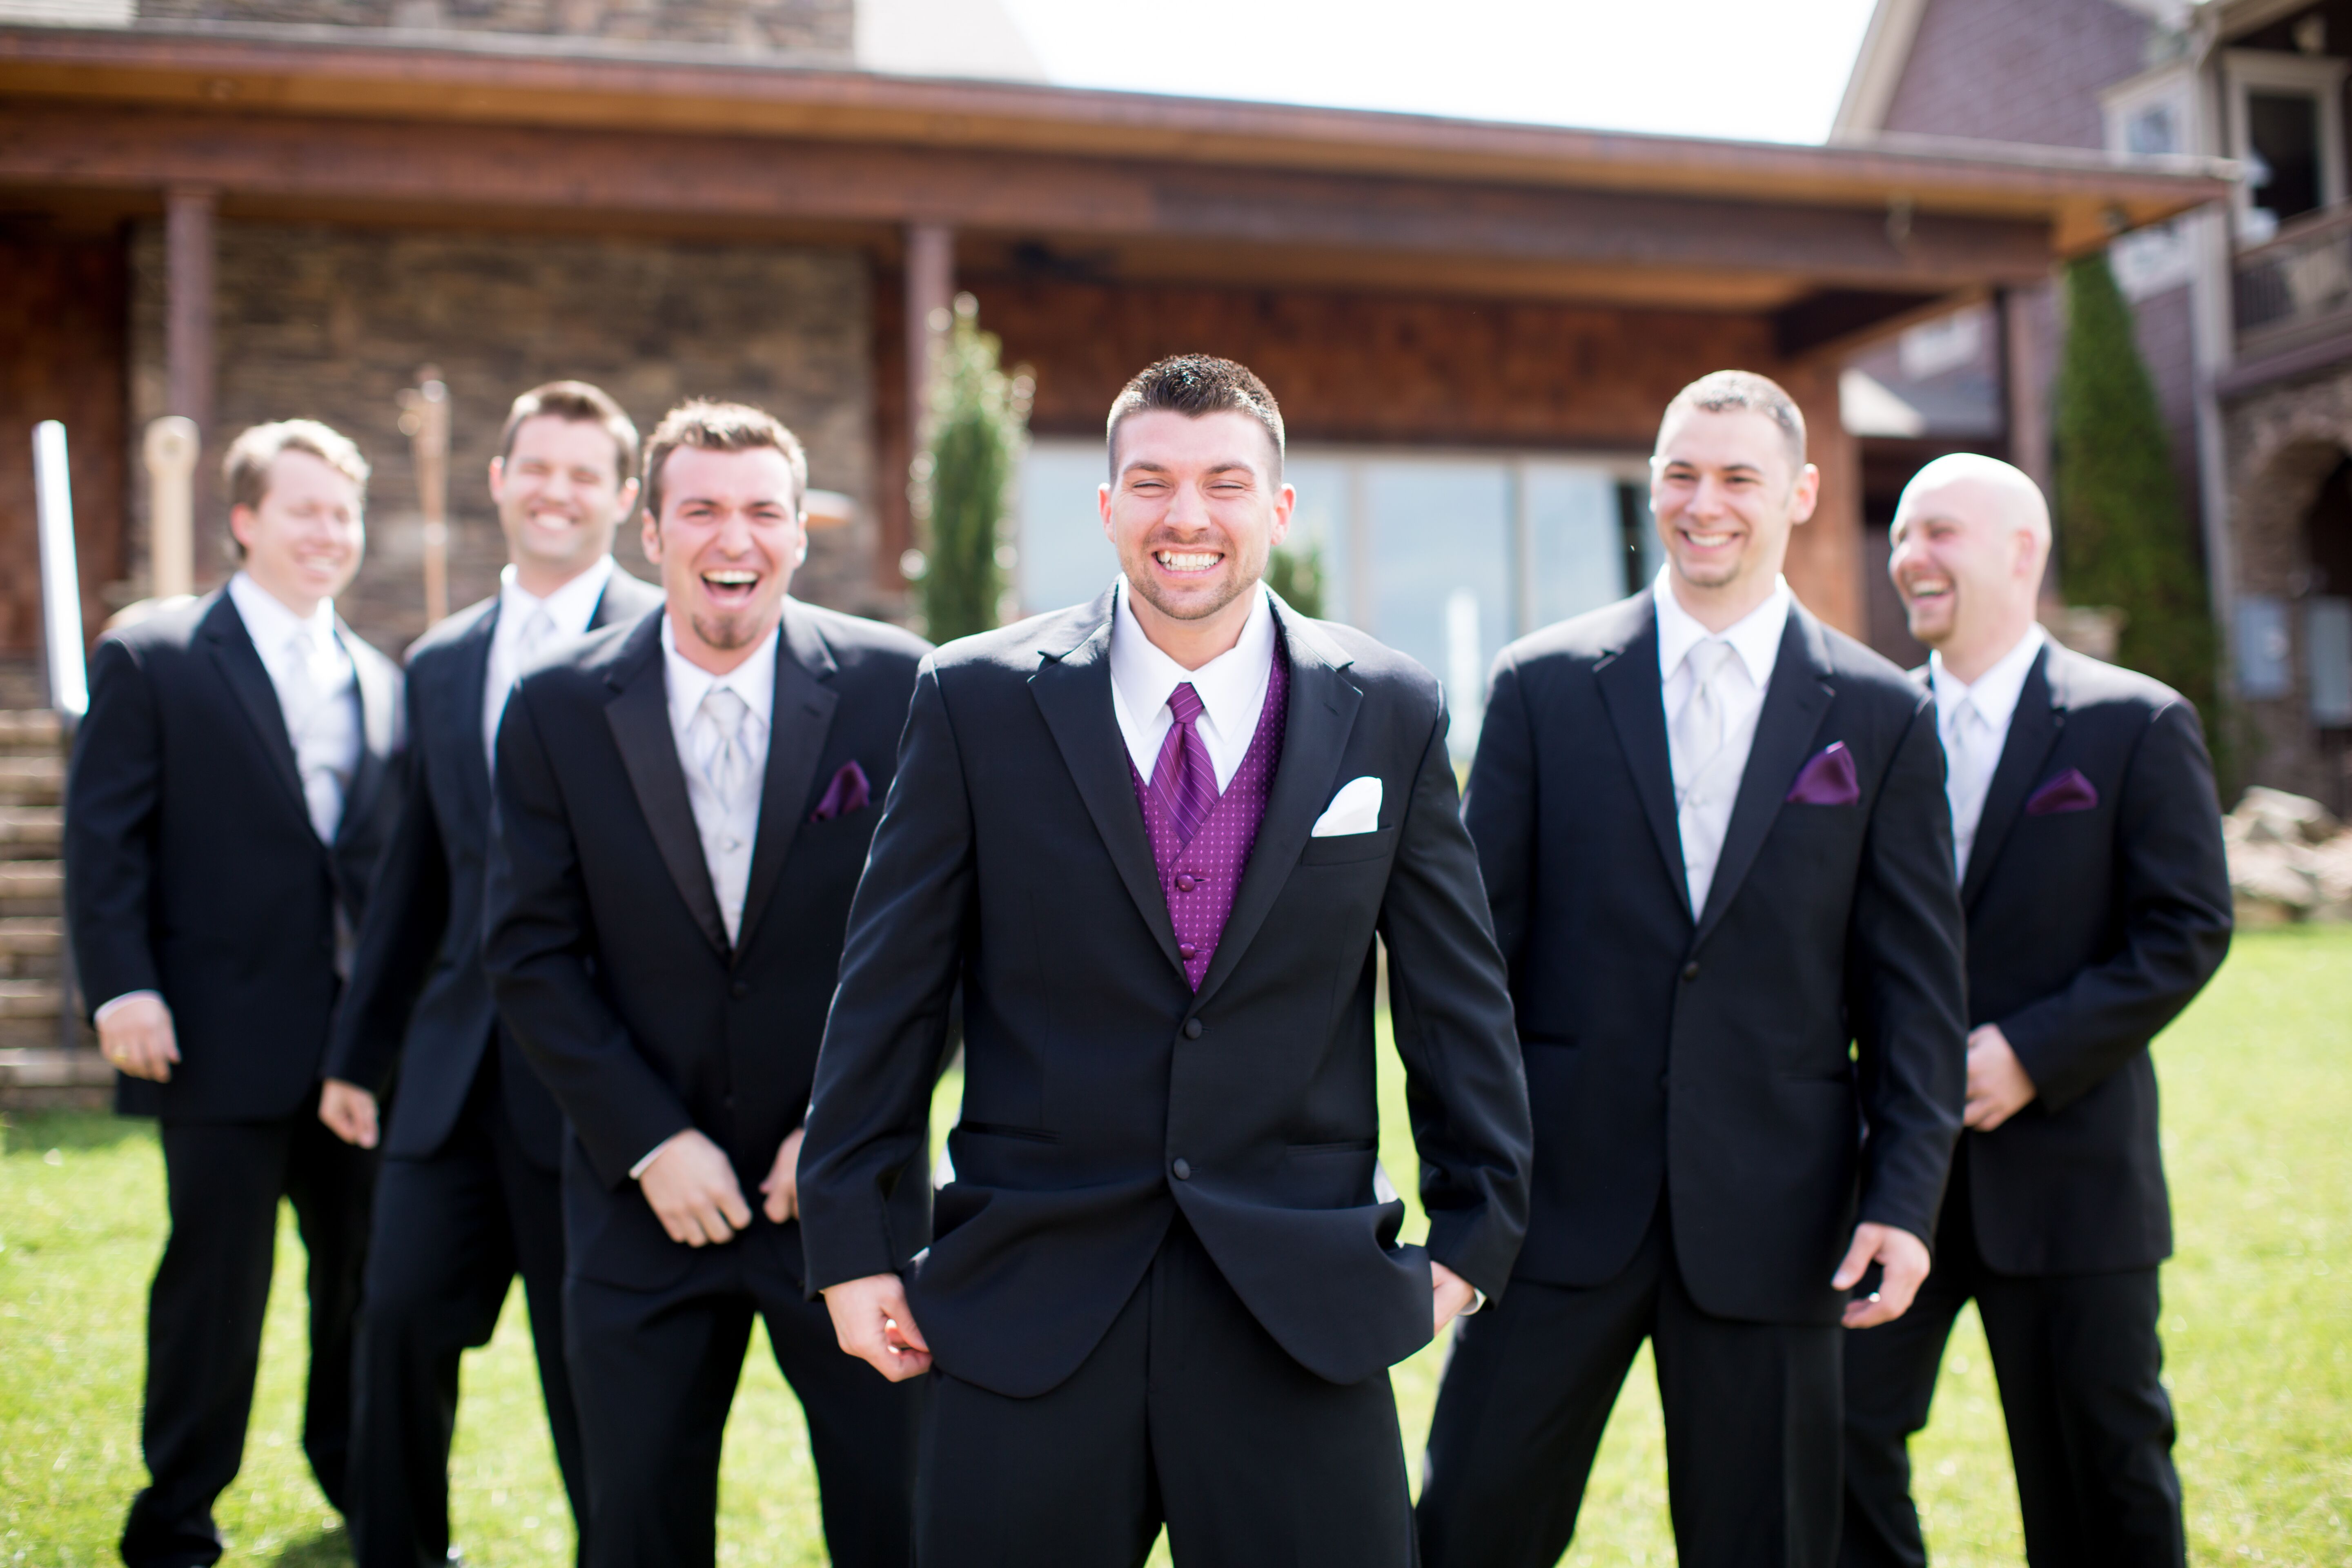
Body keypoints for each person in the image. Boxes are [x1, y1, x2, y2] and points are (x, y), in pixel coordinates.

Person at [797, 354, 1532, 1568]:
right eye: (1152, 483)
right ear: (1106, 508)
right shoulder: (976, 701)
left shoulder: (1388, 709)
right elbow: (887, 992)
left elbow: (1458, 999)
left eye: (1225, 483)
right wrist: (849, 1241)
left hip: (1299, 1305)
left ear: (1279, 509)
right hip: (1032, 1292)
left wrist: (1473, 1233)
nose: (1187, 516)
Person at [1417, 370, 1968, 1568]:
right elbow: (1469, 974)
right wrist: (1469, 1192)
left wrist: (1904, 1200)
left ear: (1802, 495)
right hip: (1553, 1209)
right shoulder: (1540, 687)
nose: (1702, 502)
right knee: (1466, 1526)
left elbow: (1915, 995)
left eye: (1736, 478)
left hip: (1780, 1218)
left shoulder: (1881, 716)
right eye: (1679, 473)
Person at [481, 399, 931, 1568]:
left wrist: (843, 1130)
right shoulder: (555, 706)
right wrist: (648, 1140)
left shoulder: (903, 689)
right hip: (641, 1202)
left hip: (849, 1199)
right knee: (634, 1526)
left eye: (761, 512)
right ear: (649, 531)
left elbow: (952, 941)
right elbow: (529, 953)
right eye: (701, 510)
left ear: (797, 533)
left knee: (902, 1514)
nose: (733, 538)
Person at [1840, 454, 2232, 1568]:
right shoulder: (1872, 727)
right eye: (1904, 534)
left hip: (2073, 1177)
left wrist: (2031, 1054)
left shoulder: (2135, 725)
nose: (1910, 557)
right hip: (1892, 1175)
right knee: (1837, 1433)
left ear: (2025, 551)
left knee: (2098, 1468)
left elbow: (2188, 928)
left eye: (1941, 534)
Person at [317, 381, 663, 1568]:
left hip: (601, 1086)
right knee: (397, 1318)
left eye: (585, 476)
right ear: (500, 481)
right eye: (539, 469)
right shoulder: (443, 659)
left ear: (623, 500)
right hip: (452, 1072)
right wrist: (359, 1053)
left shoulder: (669, 644)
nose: (557, 493)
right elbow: (417, 871)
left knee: (590, 1360)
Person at [66, 419, 405, 1567]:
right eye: (305, 509)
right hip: (210, 1036)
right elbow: (101, 840)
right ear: (247, 519)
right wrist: (122, 987)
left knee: (360, 1284)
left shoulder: (379, 675)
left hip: (354, 1053)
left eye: (345, 514)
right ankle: (174, 1519)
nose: (330, 533)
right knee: (218, 1290)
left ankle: (362, 1488)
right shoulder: (154, 654)